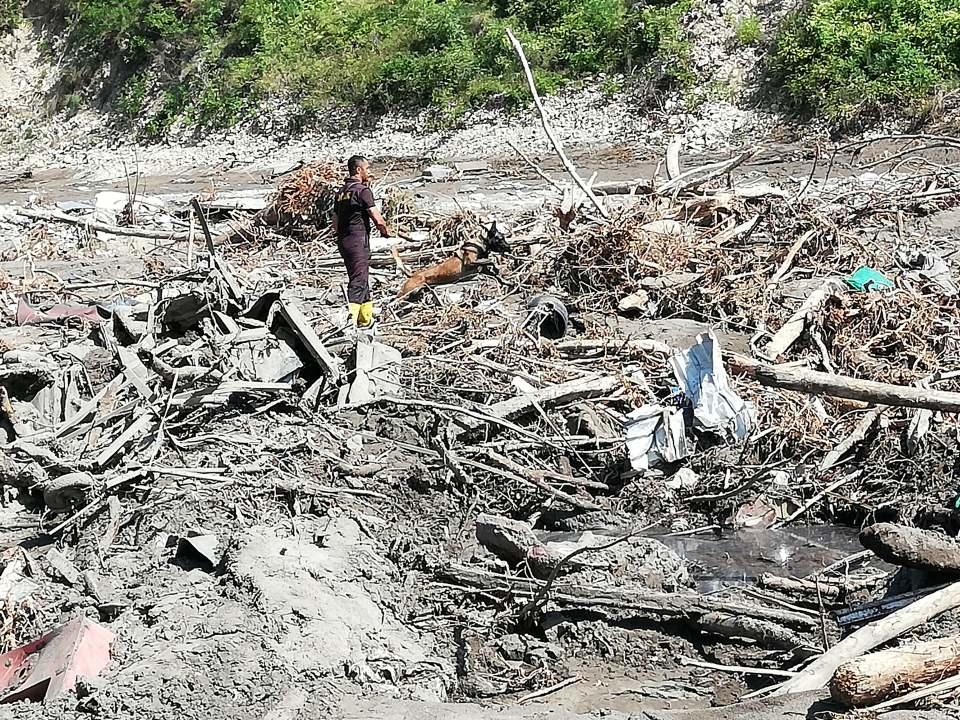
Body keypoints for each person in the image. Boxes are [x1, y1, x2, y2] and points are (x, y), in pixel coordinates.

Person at [332, 155, 391, 329]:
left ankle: (365, 319)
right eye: (367, 168)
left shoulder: (341, 193)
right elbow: (377, 218)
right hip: (358, 241)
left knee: (361, 277)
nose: (369, 172)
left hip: (344, 242)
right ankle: (349, 322)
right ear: (358, 170)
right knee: (358, 281)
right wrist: (386, 232)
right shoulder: (362, 191)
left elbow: (335, 223)